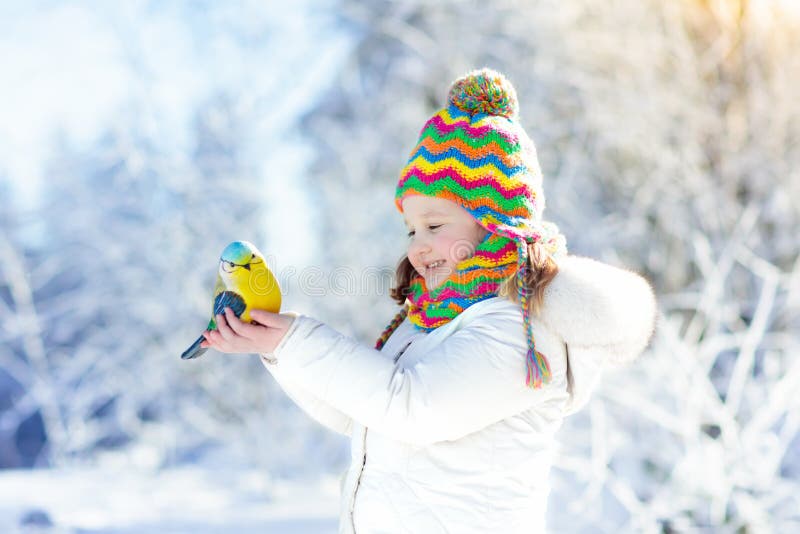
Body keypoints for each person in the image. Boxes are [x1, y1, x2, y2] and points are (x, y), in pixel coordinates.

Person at [201, 68, 657, 534]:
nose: (417, 246)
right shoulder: (430, 323)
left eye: (435, 227)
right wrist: (279, 347)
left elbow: (413, 410)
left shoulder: (519, 328)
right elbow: (361, 412)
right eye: (412, 230)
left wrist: (302, 340)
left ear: (496, 222)